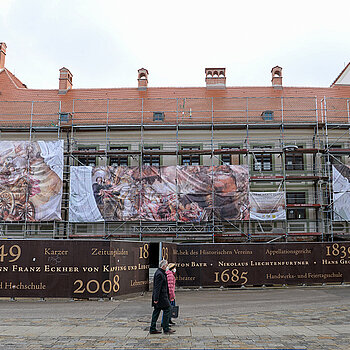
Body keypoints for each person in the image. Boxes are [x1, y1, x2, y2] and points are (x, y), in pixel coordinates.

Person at [149, 260, 175, 335]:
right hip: (161, 297)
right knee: (167, 309)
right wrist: (156, 299)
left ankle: (153, 328)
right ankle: (165, 328)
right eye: (166, 265)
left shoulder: (161, 273)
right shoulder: (159, 274)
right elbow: (157, 288)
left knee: (156, 312)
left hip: (161, 297)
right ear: (163, 266)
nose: (167, 267)